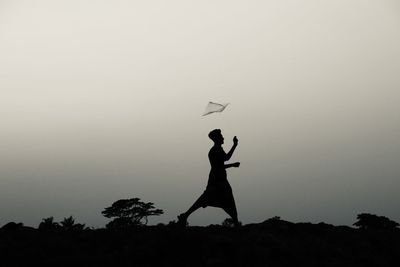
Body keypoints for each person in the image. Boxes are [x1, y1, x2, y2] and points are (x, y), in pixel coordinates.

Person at [178, 129, 241, 227]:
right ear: (217, 138)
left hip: (218, 178)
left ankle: (185, 215)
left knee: (209, 198)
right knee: (223, 199)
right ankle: (236, 222)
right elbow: (225, 160)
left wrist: (232, 165)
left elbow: (219, 165)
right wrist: (234, 145)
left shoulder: (216, 149)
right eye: (221, 136)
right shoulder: (216, 150)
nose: (223, 138)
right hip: (218, 180)